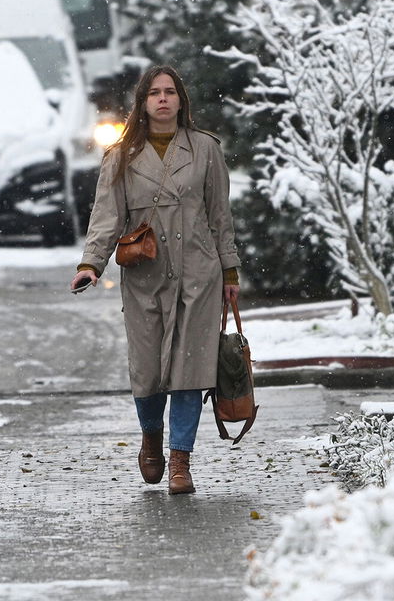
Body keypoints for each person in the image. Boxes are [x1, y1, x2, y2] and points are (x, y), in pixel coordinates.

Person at [69, 65, 241, 495]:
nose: (163, 99)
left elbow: (220, 215)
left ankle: (181, 460)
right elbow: (106, 217)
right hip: (144, 275)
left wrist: (230, 270)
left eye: (170, 92)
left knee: (190, 367)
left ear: (181, 101)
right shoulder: (121, 156)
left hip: (199, 275)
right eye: (154, 93)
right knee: (146, 371)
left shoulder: (205, 150)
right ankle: (151, 438)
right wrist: (91, 264)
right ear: (142, 103)